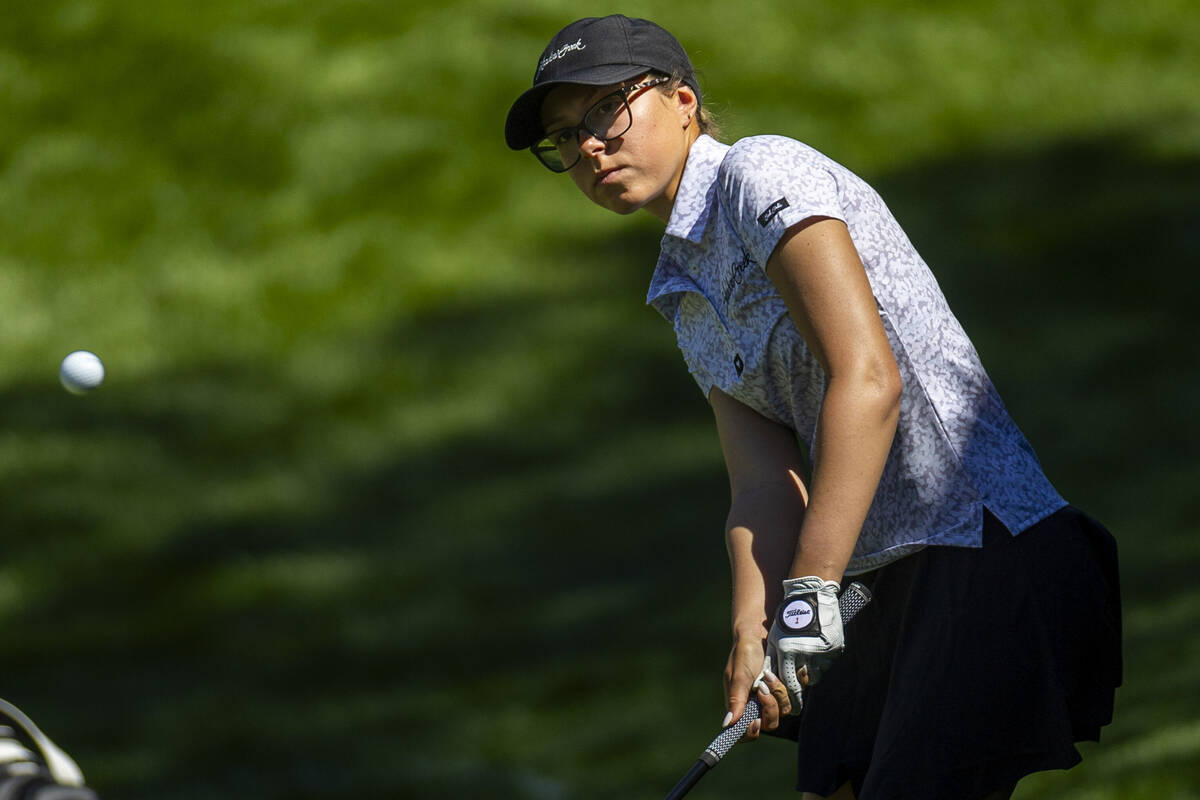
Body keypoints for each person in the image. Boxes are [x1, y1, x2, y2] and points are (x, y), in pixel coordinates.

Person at [504, 15, 1122, 800]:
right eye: (562, 136)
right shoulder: (678, 285)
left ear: (684, 100)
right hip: (863, 584)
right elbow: (763, 482)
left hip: (974, 541)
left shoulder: (762, 173)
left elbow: (868, 377)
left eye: (604, 111)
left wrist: (808, 596)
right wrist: (753, 632)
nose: (588, 145)